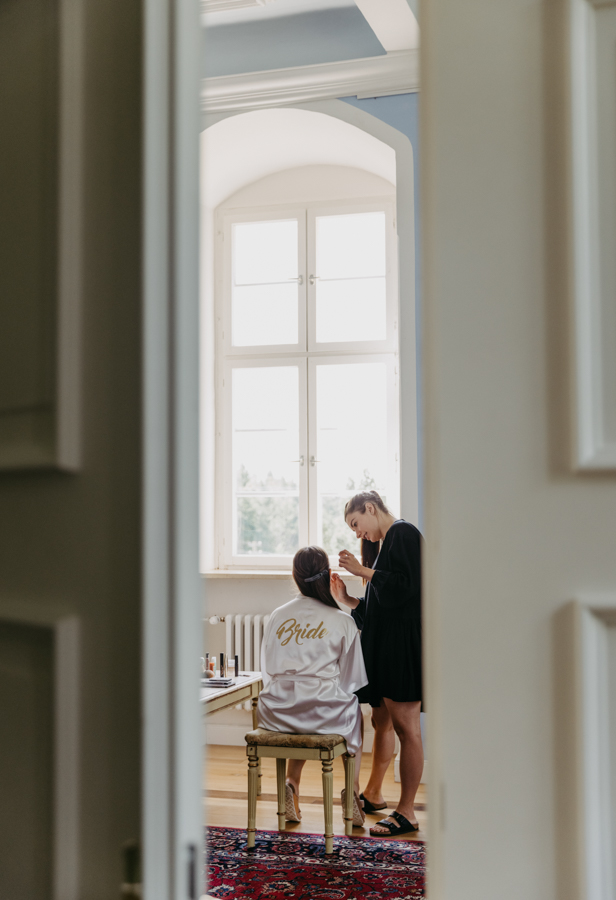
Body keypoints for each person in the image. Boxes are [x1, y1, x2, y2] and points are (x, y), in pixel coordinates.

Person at [330, 490, 423, 837]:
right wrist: (348, 599)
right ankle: (373, 793)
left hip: (402, 651)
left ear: (370, 508)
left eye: (356, 523)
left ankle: (407, 811)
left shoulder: (403, 532)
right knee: (381, 719)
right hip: (385, 650)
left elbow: (407, 588)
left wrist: (363, 570)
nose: (357, 533)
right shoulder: (384, 545)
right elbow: (379, 610)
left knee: (405, 727)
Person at [258, 545, 368, 827]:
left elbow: (268, 668)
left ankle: (291, 784)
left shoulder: (277, 615)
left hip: (277, 711)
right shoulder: (342, 620)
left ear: (295, 577)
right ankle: (352, 791)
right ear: (328, 575)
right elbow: (352, 678)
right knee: (352, 712)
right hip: (323, 709)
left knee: (302, 715)